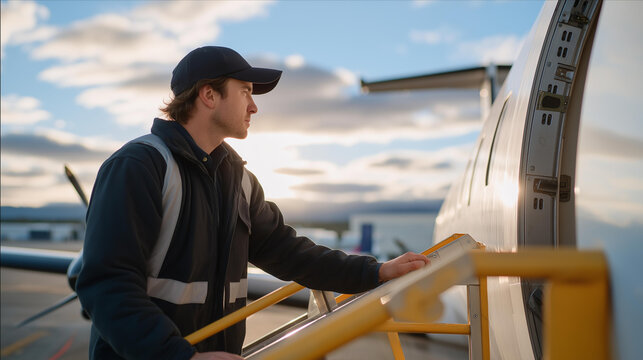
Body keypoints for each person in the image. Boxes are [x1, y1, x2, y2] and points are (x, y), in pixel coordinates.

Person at [76, 46, 429, 360]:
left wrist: (375, 271)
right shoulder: (138, 167)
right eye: (245, 91)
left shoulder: (238, 180)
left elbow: (288, 252)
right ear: (209, 95)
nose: (254, 105)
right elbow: (107, 285)